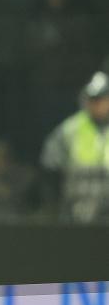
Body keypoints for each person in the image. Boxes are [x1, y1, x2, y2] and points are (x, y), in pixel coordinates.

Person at [40, 71, 109, 223]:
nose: (97, 104)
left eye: (101, 99)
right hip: (77, 212)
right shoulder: (71, 129)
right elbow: (49, 164)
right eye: (93, 99)